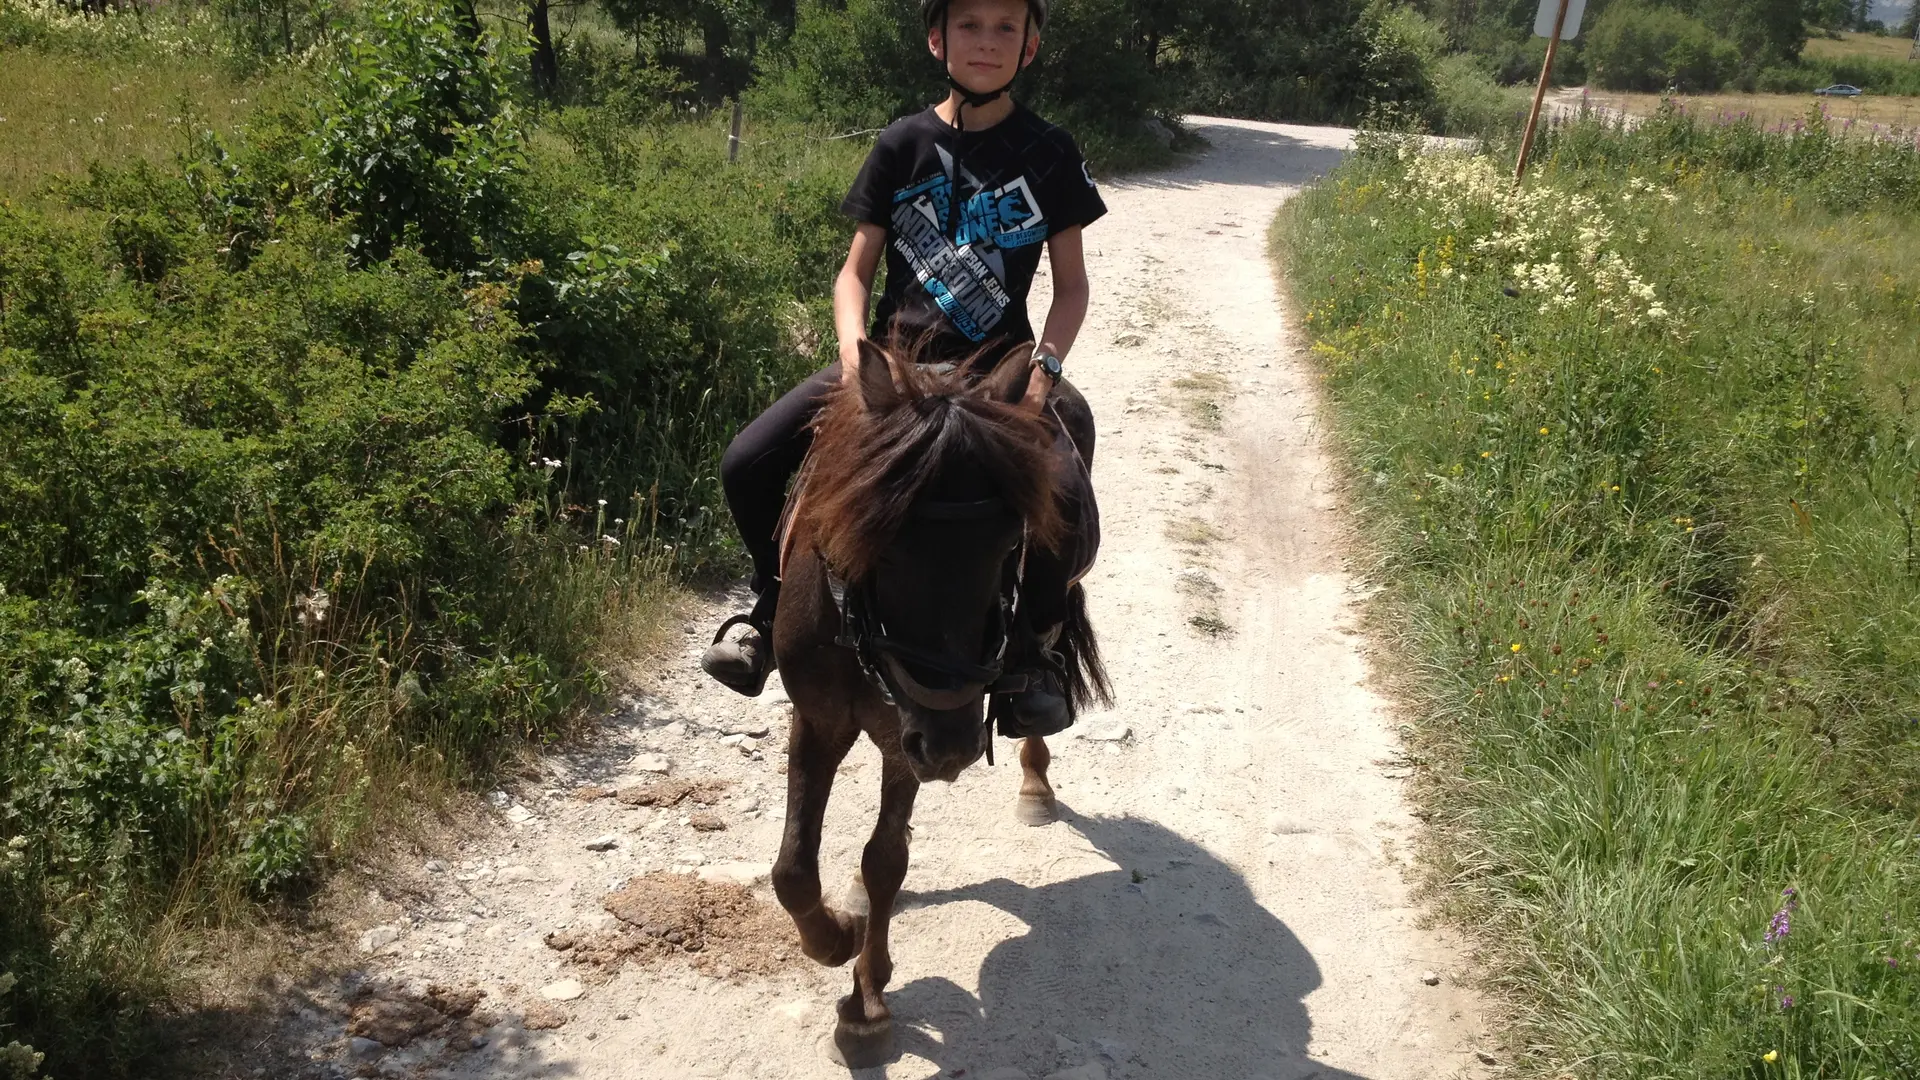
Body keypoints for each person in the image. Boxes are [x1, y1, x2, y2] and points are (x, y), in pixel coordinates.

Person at [701, 0, 1105, 737]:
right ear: (935, 38)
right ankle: (765, 604)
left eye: (1006, 27)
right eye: (969, 25)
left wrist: (1044, 367)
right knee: (747, 461)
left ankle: (1034, 656)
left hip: (994, 374)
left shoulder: (1049, 151)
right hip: (890, 367)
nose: (987, 41)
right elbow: (854, 274)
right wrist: (857, 356)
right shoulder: (901, 143)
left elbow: (1072, 286)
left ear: (1032, 46)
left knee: (1067, 502)